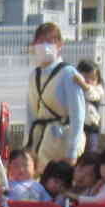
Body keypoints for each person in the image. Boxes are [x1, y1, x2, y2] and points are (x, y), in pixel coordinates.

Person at [26, 22, 86, 163]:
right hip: (41, 142)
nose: (44, 45)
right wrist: (28, 146)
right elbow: (31, 114)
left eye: (50, 41)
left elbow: (78, 115)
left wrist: (72, 151)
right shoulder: (34, 76)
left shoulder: (68, 73)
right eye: (40, 41)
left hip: (63, 140)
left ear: (60, 45)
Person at [76, 58, 105, 152]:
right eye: (85, 77)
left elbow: (92, 95)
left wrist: (82, 84)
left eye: (93, 79)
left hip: (91, 128)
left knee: (90, 151)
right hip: (77, 127)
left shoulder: (98, 90)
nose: (88, 81)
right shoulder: (76, 90)